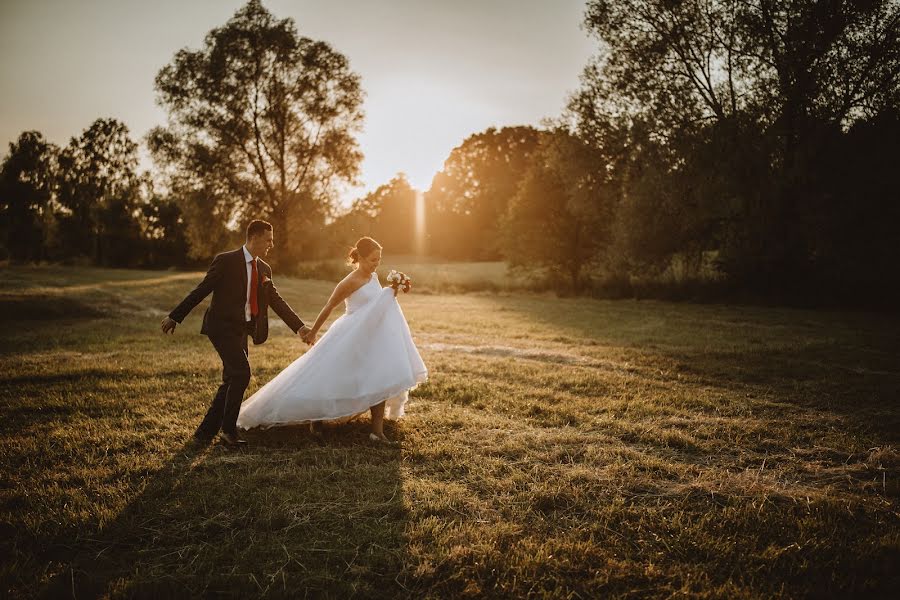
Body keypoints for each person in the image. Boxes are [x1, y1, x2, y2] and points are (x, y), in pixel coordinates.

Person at [237, 236, 427, 443]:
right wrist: (312, 332)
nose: (377, 264)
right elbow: (329, 307)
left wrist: (392, 292)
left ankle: (377, 432)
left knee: (378, 376)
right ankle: (315, 418)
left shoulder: (373, 277)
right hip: (350, 334)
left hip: (372, 335)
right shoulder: (349, 282)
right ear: (360, 257)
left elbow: (375, 304)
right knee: (329, 376)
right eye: (373, 259)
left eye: (379, 259)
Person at [161, 220, 311, 446]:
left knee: (232, 377)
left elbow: (276, 301)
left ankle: (204, 433)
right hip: (221, 327)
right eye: (268, 239)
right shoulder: (226, 261)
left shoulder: (264, 269)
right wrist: (175, 316)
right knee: (241, 373)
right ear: (255, 237)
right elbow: (203, 289)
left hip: (242, 330)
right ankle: (228, 431)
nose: (272, 244)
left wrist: (300, 327)